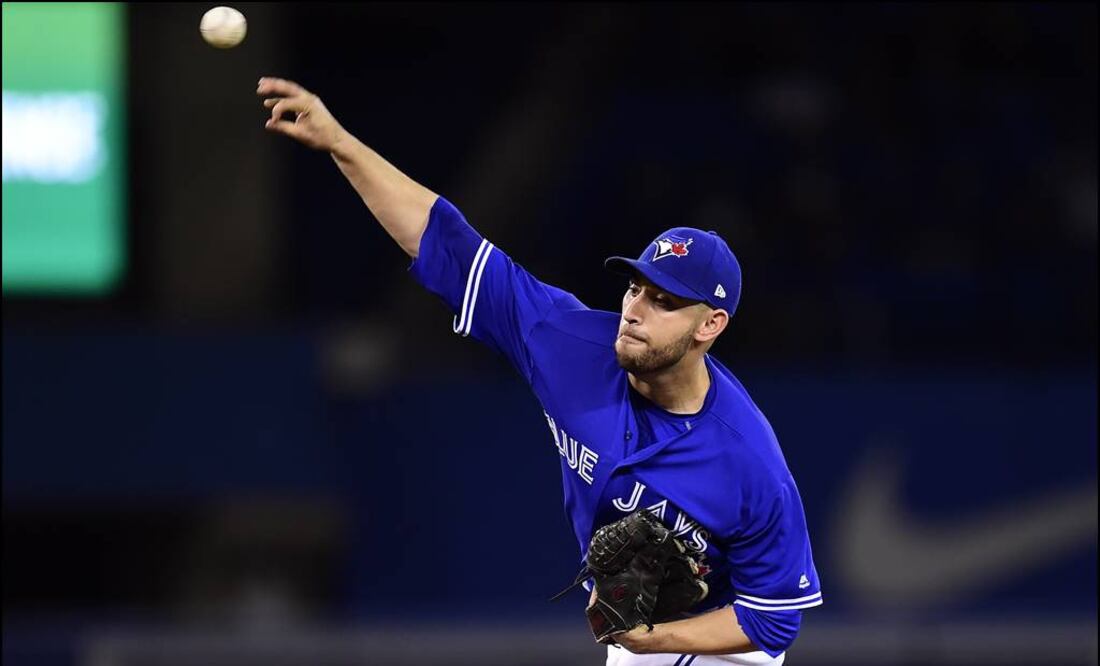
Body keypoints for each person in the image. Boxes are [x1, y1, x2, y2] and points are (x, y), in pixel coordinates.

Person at [257, 76, 822, 665]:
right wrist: (342, 143)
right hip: (635, 635)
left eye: (665, 301)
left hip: (717, 644)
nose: (635, 310)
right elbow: (448, 244)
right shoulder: (569, 342)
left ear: (710, 326)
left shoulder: (749, 460)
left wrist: (653, 640)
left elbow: (773, 620)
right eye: (636, 288)